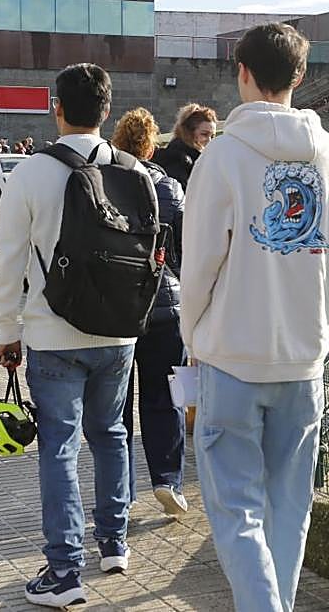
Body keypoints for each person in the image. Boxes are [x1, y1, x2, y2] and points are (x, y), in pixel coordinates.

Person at [181, 24, 329, 612]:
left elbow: (199, 262)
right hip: (304, 357)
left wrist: (192, 335)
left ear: (242, 72)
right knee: (288, 504)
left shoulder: (222, 156)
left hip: (231, 352)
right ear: (299, 77)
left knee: (235, 507)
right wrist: (320, 339)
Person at [0, 63, 141, 608]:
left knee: (59, 448)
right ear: (107, 110)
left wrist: (7, 330)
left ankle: (64, 571)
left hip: (53, 332)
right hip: (120, 333)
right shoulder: (134, 171)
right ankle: (116, 543)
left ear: (57, 108)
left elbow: (8, 259)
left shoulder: (32, 173)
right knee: (112, 435)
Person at [111, 107, 189, 516]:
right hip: (166, 306)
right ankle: (168, 480)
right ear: (150, 145)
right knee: (166, 396)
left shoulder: (101, 183)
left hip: (116, 310)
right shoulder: (169, 187)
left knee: (116, 403)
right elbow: (184, 254)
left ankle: (121, 490)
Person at [154, 102, 217, 189]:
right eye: (204, 134)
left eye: (213, 136)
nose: (210, 140)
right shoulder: (177, 161)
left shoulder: (199, 159)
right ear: (189, 133)